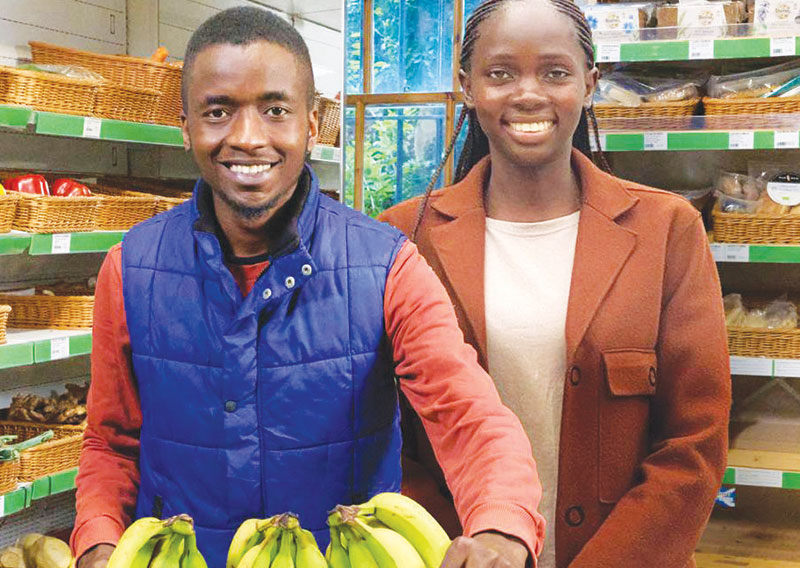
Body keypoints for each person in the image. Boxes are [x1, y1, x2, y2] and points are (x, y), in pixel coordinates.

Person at [70, 7, 546, 568]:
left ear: (312, 124)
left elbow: (468, 415)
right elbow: (110, 442)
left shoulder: (386, 266)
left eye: (275, 110)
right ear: (187, 127)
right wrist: (100, 544)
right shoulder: (131, 268)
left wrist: (503, 527)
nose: (248, 139)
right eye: (218, 111)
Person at [379, 0, 731, 567]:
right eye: (500, 73)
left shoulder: (666, 231)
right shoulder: (403, 236)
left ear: (590, 84)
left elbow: (694, 443)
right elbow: (387, 432)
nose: (528, 93)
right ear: (466, 86)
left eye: (555, 72)